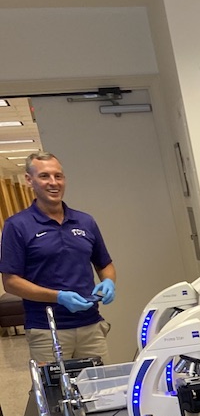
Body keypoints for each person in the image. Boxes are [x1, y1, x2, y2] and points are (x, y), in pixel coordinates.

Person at [0, 151, 116, 363]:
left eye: (58, 176)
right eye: (44, 176)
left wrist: (108, 280)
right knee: (57, 394)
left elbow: (105, 264)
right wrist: (58, 296)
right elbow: (11, 283)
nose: (53, 182)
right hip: (47, 331)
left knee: (101, 392)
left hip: (91, 326)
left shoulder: (85, 221)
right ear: (29, 180)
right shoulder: (17, 226)